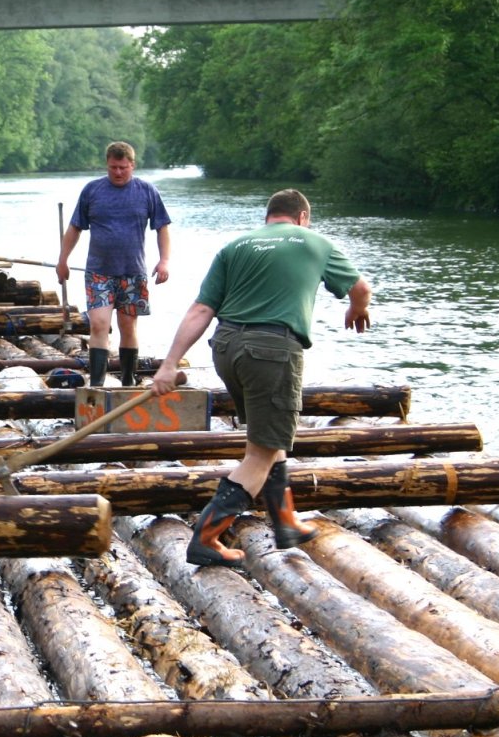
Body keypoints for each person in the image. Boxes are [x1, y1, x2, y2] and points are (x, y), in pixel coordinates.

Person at [151, 189, 372, 568]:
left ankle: (286, 522)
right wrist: (357, 308)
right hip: (271, 351)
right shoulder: (313, 241)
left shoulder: (236, 246)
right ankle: (206, 537)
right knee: (261, 453)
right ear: (302, 217)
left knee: (270, 436)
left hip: (225, 348)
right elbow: (361, 288)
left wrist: (170, 363)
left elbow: (202, 308)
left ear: (269, 217)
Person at [57, 142, 172, 387]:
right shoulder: (92, 190)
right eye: (113, 168)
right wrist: (63, 260)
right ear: (107, 165)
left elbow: (162, 227)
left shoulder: (147, 191)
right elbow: (75, 227)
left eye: (122, 168)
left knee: (128, 326)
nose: (118, 173)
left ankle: (128, 380)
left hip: (133, 273)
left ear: (132, 165)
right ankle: (97, 383)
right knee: (99, 324)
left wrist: (164, 261)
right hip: (99, 272)